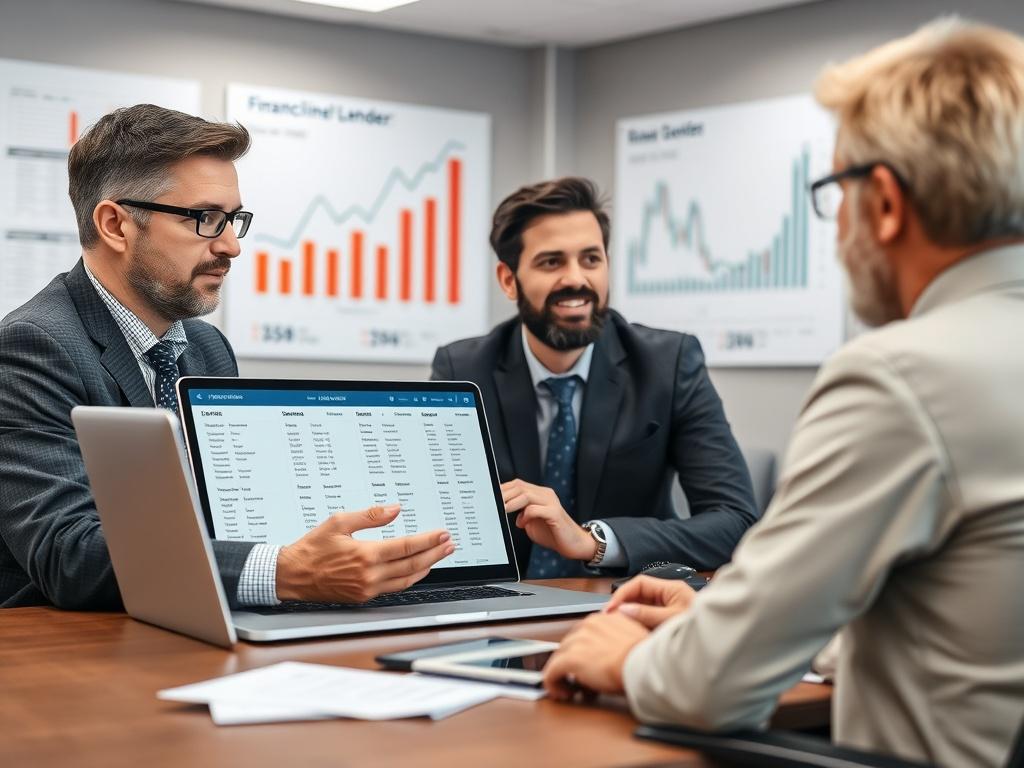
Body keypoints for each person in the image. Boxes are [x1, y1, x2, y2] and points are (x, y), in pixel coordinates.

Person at [541, 19, 1024, 768]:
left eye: (836, 193)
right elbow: (964, 628)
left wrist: (632, 659)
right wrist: (715, 622)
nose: (838, 230)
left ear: (885, 203)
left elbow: (708, 689)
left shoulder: (900, 378)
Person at [0, 104, 452, 610]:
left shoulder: (207, 348)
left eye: (233, 220)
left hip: (204, 618)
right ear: (115, 225)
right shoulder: (32, 346)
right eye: (206, 219)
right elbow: (68, 554)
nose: (232, 247)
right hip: (73, 638)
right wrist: (285, 571)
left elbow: (228, 518)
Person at [431, 178, 758, 578]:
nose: (576, 279)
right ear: (508, 279)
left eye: (590, 259)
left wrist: (593, 541)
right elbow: (430, 512)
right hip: (502, 600)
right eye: (551, 262)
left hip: (626, 598)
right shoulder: (462, 371)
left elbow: (736, 521)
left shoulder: (667, 365)